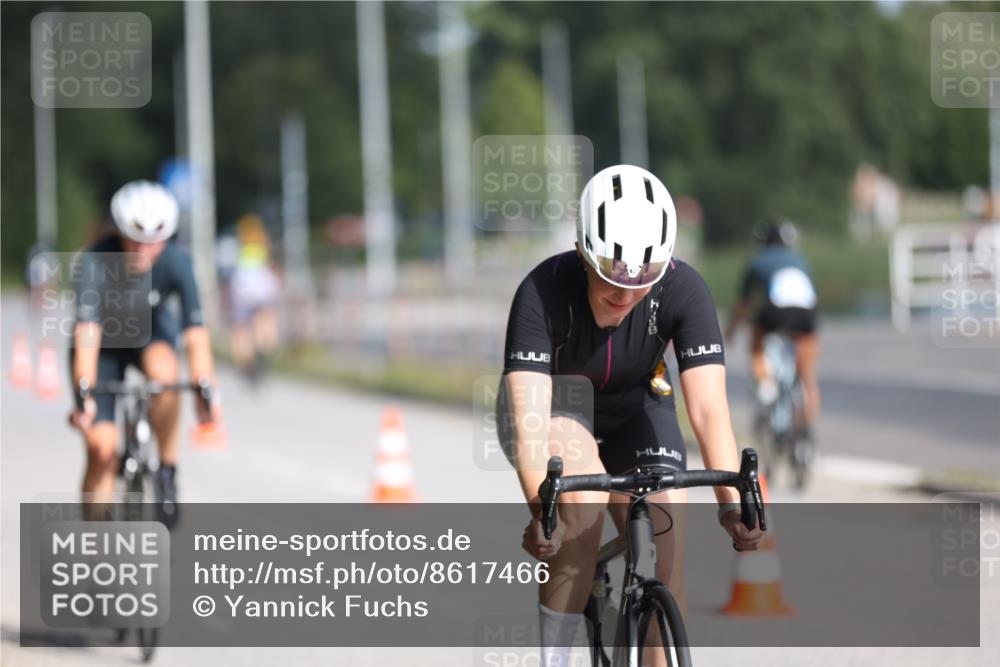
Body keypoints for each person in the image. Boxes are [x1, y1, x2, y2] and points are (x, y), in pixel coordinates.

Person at [497, 165, 762, 667]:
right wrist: (542, 510)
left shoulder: (686, 290)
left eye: (644, 280)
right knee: (583, 508)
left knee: (668, 555)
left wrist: (733, 504)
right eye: (612, 276)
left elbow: (707, 410)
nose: (626, 294)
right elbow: (530, 420)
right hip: (560, 408)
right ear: (582, 251)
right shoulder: (541, 292)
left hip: (641, 408)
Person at [68, 181, 220, 525]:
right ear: (120, 232)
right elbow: (87, 336)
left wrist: (204, 386)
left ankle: (167, 471)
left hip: (150, 334)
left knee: (167, 376)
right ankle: (96, 541)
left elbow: (195, 333)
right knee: (102, 450)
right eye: (135, 239)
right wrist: (84, 394)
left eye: (154, 241)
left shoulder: (177, 261)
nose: (144, 249)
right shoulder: (95, 261)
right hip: (103, 345)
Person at [725, 218, 820, 433]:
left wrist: (730, 332)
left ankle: (765, 383)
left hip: (776, 311)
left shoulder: (757, 261)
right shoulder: (800, 259)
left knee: (757, 340)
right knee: (806, 372)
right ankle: (805, 435)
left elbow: (743, 305)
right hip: (807, 313)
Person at [226, 214, 280, 383]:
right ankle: (264, 348)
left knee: (240, 329)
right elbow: (268, 271)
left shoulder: (238, 249)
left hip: (243, 291)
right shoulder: (263, 248)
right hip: (261, 290)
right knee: (264, 320)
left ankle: (246, 361)